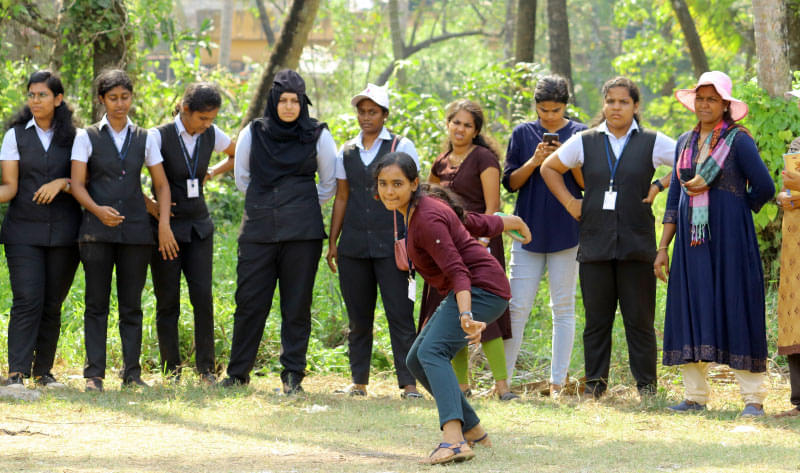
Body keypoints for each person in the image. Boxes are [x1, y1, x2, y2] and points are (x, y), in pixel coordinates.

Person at [373, 151, 531, 465]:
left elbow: (459, 270)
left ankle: (455, 441)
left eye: (397, 184)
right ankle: (473, 430)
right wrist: (507, 222)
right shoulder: (419, 206)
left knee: (432, 352)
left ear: (414, 183)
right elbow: (469, 221)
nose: (389, 191)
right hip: (479, 287)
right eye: (383, 184)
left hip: (482, 289)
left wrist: (465, 315)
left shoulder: (426, 217)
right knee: (416, 359)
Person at [541, 76, 674, 398]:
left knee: (639, 321)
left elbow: (691, 161)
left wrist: (659, 185)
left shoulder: (652, 141)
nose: (616, 107)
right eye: (611, 101)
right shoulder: (585, 140)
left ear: (635, 106)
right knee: (596, 322)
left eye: (624, 102)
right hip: (595, 242)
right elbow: (549, 168)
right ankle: (595, 388)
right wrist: (570, 202)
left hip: (637, 243)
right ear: (604, 104)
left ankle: (647, 389)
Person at [654, 71, 774, 416]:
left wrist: (736, 209)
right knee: (691, 307)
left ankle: (753, 399)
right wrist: (662, 248)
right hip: (691, 246)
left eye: (712, 99)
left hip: (731, 242)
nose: (704, 104)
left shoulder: (738, 141)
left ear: (725, 105)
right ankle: (695, 397)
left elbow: (764, 186)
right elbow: (675, 197)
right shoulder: (684, 142)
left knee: (737, 304)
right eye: (701, 98)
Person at [221, 70, 337, 394]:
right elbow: (242, 178)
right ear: (273, 101)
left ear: (303, 103)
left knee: (296, 305)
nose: (288, 107)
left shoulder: (318, 134)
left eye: (295, 101)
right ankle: (238, 374)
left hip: (302, 234)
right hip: (258, 230)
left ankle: (292, 376)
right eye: (283, 100)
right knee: (249, 302)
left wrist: (298, 204)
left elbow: (328, 183)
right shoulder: (253, 132)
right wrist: (271, 204)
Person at [70, 69, 178, 392]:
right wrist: (98, 210)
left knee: (132, 305)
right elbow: (76, 184)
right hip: (95, 232)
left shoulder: (146, 137)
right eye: (113, 98)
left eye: (125, 97)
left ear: (132, 97)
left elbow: (161, 184)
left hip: (135, 233)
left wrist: (163, 224)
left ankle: (132, 373)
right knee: (96, 304)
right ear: (102, 100)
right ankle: (94, 375)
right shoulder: (86, 136)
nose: (120, 104)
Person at [325, 83, 421, 398]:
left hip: (394, 245)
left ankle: (409, 384)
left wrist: (415, 238)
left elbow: (416, 194)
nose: (366, 117)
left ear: (384, 114)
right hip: (353, 245)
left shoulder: (401, 146)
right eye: (362, 112)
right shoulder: (346, 151)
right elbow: (342, 196)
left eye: (373, 112)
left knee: (400, 315)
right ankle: (359, 382)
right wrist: (333, 241)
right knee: (358, 317)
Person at [422, 98, 516, 400]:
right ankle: (462, 387)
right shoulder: (440, 162)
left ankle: (503, 387)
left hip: (480, 245)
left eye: (467, 125)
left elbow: (492, 207)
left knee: (487, 317)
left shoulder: (484, 158)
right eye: (456, 122)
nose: (460, 129)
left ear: (476, 131)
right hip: (446, 248)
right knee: (452, 314)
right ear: (447, 124)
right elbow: (428, 200)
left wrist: (481, 245)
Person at [145, 82, 236, 384]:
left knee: (203, 298)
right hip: (166, 228)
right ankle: (171, 370)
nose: (207, 124)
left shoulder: (211, 133)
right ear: (185, 110)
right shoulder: (157, 136)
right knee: (167, 299)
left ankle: (206, 369)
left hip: (199, 227)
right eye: (203, 118)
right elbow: (130, 175)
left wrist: (212, 171)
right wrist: (153, 210)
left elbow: (235, 153)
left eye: (211, 119)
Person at [502, 75, 587, 395]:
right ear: (535, 106)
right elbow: (511, 183)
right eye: (543, 110)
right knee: (516, 307)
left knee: (563, 308)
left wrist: (565, 158)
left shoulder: (580, 134)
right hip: (526, 231)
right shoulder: (522, 133)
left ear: (566, 106)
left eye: (556, 110)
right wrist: (535, 161)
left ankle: (558, 382)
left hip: (567, 231)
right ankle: (503, 382)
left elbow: (585, 183)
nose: (549, 116)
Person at [0, 70, 81, 389]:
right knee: (27, 299)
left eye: (42, 95)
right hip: (22, 231)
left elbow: (85, 182)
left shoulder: (76, 136)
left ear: (58, 99)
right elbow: (9, 187)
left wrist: (62, 182)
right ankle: (16, 373)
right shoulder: (15, 136)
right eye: (31, 95)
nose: (35, 100)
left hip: (65, 232)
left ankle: (43, 372)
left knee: (52, 304)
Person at [776, 89, 800, 418]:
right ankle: (798, 400)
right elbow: (786, 187)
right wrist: (784, 197)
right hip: (795, 242)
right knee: (795, 316)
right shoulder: (796, 145)